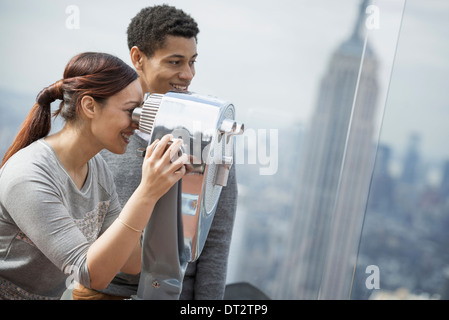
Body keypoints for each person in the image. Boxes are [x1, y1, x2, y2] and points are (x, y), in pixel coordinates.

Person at [0, 52, 187, 300]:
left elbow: (131, 263)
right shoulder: (30, 175)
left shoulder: (96, 169)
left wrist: (163, 189)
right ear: (89, 106)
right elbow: (90, 274)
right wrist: (147, 191)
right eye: (131, 111)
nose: (138, 124)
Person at [96, 5, 239, 300]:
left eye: (192, 62)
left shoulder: (212, 136)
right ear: (138, 58)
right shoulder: (104, 136)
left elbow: (215, 243)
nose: (187, 74)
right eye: (175, 62)